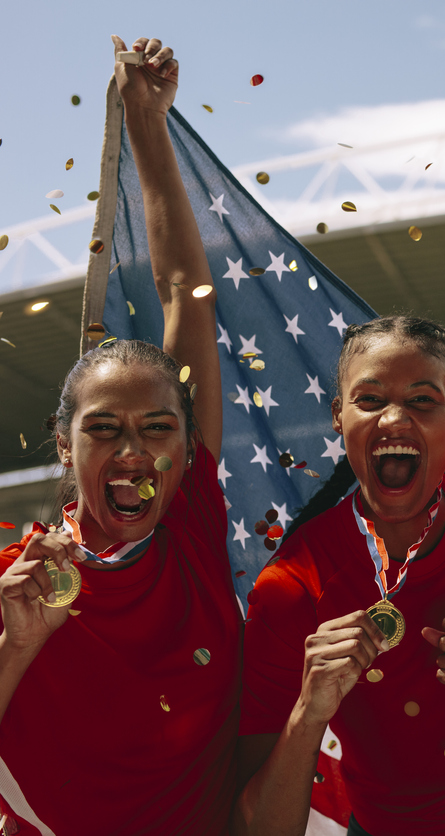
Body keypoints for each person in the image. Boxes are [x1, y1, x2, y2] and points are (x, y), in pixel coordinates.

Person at [0, 36, 237, 834]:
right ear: (64, 447)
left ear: (187, 446)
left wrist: (147, 122)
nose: (135, 451)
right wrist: (16, 644)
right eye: (104, 430)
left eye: (157, 428)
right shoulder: (12, 582)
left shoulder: (194, 527)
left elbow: (186, 297)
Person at [233, 315, 445, 836]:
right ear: (338, 416)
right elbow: (257, 828)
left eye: (421, 401)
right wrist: (309, 712)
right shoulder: (291, 583)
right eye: (369, 399)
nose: (394, 420)